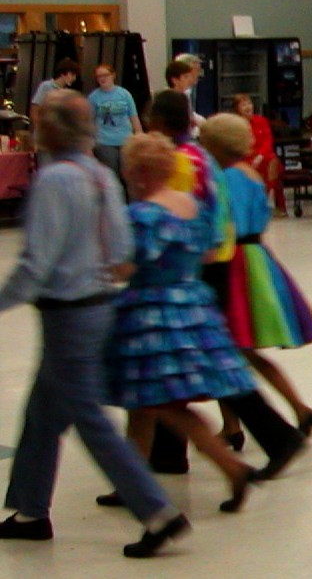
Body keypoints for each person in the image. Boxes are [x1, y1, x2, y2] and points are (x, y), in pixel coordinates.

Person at [0, 91, 190, 558]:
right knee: (44, 413)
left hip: (68, 314)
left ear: (52, 128)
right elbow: (123, 247)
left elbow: (36, 262)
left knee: (88, 417)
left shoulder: (54, 180)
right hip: (100, 304)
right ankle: (29, 509)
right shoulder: (101, 174)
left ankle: (157, 511)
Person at [106, 133, 259, 513]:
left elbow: (124, 268)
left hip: (151, 316)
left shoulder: (141, 215)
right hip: (192, 307)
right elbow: (208, 254)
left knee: (164, 404)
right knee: (145, 405)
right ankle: (131, 481)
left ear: (139, 173)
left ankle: (231, 466)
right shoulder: (192, 206)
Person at [199, 114, 312, 440]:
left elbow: (223, 224)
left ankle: (232, 425)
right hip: (259, 258)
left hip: (233, 259)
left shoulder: (220, 178)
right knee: (245, 349)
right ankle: (298, 407)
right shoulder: (252, 175)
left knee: (228, 347)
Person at [231, 94, 286, 215]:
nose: (248, 107)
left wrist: (260, 156)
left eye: (249, 103)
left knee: (273, 161)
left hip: (263, 156)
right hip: (245, 157)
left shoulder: (261, 121)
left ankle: (269, 202)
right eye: (244, 104)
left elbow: (268, 141)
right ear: (237, 108)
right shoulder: (234, 124)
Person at [88, 63, 144, 177]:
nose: (102, 78)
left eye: (105, 75)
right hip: (104, 141)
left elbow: (134, 117)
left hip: (126, 140)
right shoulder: (93, 97)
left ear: (113, 75)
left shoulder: (124, 94)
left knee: (129, 173)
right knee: (112, 172)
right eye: (99, 76)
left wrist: (140, 137)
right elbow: (88, 122)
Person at [28, 58, 78, 124]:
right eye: (72, 75)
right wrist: (38, 127)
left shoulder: (66, 93)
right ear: (63, 74)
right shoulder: (46, 86)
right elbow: (35, 108)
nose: (74, 78)